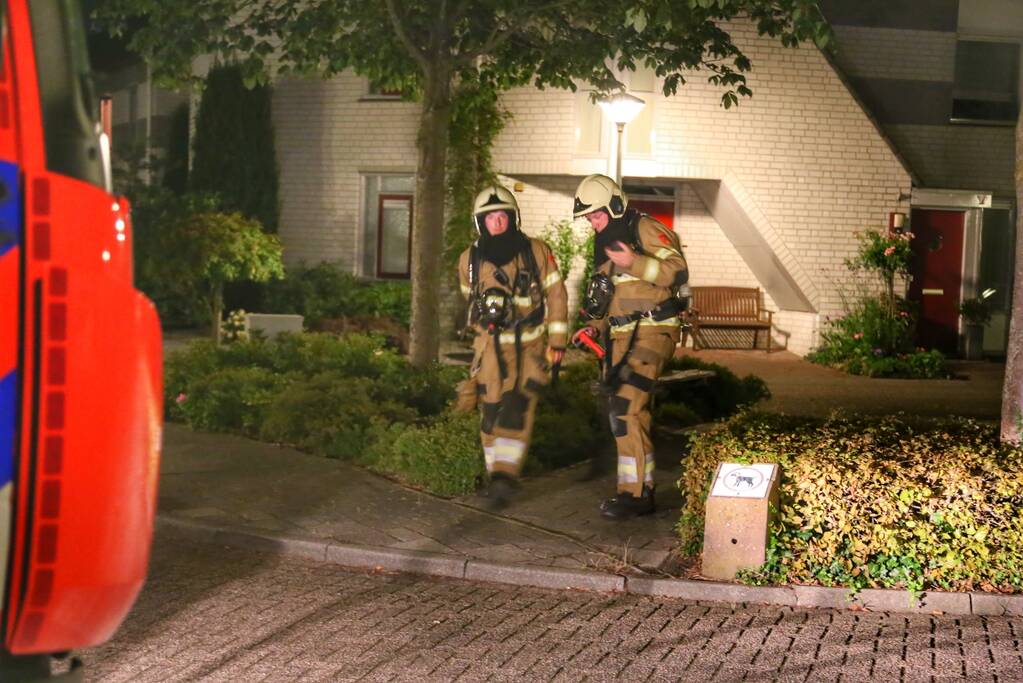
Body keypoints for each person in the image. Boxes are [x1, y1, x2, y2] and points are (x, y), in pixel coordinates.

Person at [571, 174, 689, 520]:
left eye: (596, 215)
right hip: (622, 337)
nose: (593, 224)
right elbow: (611, 299)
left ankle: (637, 495)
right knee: (624, 413)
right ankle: (634, 489)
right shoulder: (610, 244)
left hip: (654, 330)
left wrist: (634, 262)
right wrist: (593, 327)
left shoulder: (645, 229)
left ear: (615, 205)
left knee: (626, 407)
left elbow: (677, 270)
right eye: (589, 219)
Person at [456, 184, 569, 507]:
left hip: (528, 347)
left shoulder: (535, 251)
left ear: (513, 217)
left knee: (517, 408)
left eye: (502, 216)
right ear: (480, 222)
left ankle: (505, 477)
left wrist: (557, 339)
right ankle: (495, 474)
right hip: (489, 348)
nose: (497, 223)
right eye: (490, 217)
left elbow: (557, 294)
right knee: (490, 411)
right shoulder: (469, 259)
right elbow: (470, 300)